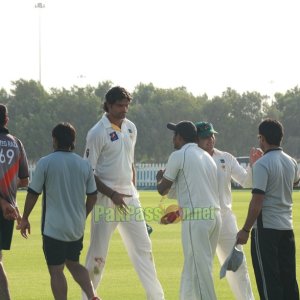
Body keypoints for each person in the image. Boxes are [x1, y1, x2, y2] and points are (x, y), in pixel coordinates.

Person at [83, 86, 164, 300]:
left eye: (127, 105)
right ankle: (87, 297)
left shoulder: (130, 128)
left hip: (129, 198)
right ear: (108, 105)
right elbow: (88, 173)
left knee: (144, 249)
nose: (124, 109)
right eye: (120, 105)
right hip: (105, 200)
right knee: (98, 254)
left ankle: (156, 297)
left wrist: (133, 192)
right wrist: (112, 194)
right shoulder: (97, 132)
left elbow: (131, 164)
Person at [18, 122, 100, 300]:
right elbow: (93, 196)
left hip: (53, 228)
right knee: (73, 263)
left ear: (54, 140)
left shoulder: (46, 163)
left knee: (56, 270)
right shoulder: (84, 165)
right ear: (73, 141)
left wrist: (24, 218)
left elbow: (33, 193)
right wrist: (82, 216)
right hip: (76, 228)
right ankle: (93, 296)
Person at [195, 121, 261, 300]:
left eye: (212, 136)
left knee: (238, 265)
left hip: (225, 218)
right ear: (196, 139)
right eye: (205, 137)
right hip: (203, 218)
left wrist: (253, 164)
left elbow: (247, 182)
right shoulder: (192, 158)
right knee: (202, 266)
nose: (210, 140)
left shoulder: (225, 157)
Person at [156, 120, 221, 300]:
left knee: (200, 272)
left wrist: (159, 178)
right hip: (214, 217)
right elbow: (181, 189)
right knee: (194, 267)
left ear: (180, 137)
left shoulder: (179, 155)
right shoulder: (206, 156)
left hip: (196, 219)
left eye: (174, 135)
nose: (173, 139)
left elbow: (163, 189)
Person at [237, 119, 300, 300]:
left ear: (262, 138)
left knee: (269, 282)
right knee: (289, 281)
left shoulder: (262, 164)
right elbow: (295, 182)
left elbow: (257, 201)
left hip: (266, 230)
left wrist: (245, 230)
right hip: (287, 228)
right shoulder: (291, 162)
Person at [0, 104, 29, 300]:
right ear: (6, 120)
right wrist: (8, 196)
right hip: (9, 209)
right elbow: (25, 180)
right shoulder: (16, 143)